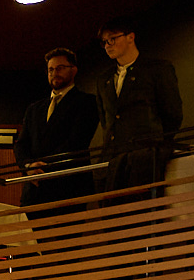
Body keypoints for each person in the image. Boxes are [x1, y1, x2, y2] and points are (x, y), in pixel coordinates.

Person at [96, 17, 180, 201]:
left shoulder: (157, 69)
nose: (108, 45)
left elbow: (172, 113)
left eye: (112, 39)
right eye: (104, 42)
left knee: (144, 208)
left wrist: (156, 143)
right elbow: (106, 120)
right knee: (113, 211)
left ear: (130, 37)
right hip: (113, 159)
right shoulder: (104, 79)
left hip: (147, 156)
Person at [13, 47, 100, 211]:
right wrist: (29, 166)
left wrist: (44, 167)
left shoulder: (87, 102)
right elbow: (21, 144)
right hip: (34, 190)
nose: (54, 73)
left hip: (69, 187)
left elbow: (77, 141)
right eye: (50, 70)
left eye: (60, 68)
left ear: (73, 70)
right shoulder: (34, 108)